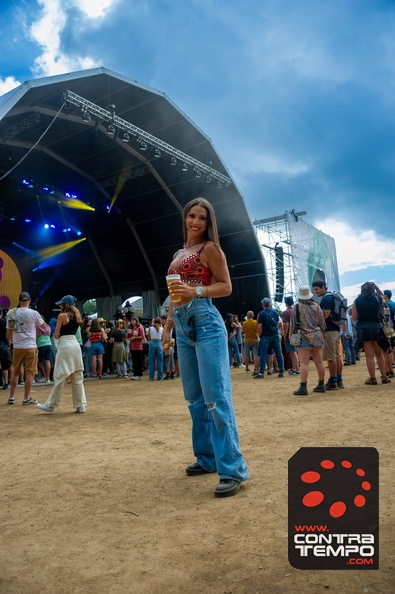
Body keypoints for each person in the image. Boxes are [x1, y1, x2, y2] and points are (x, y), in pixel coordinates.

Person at [162, 196, 248, 498]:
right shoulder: (178, 253)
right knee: (194, 399)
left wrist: (196, 289)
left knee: (215, 398)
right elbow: (174, 295)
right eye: (192, 216)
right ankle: (207, 458)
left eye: (202, 218)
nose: (196, 222)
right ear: (185, 218)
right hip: (182, 325)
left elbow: (225, 286)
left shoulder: (209, 249)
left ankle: (232, 468)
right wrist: (168, 329)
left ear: (209, 223)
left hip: (207, 320)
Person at [36, 295, 87, 413]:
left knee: (60, 376)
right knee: (77, 377)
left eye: (61, 304)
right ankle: (81, 405)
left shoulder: (61, 316)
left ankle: (51, 404)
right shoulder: (77, 315)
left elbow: (56, 334)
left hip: (65, 345)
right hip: (75, 345)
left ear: (65, 305)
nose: (59, 306)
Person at [6, 292, 47, 404]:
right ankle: (26, 398)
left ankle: (12, 397)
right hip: (30, 346)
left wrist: (11, 343)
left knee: (15, 372)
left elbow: (9, 333)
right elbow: (44, 326)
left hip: (17, 346)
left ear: (19, 301)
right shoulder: (34, 313)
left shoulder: (12, 313)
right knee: (30, 372)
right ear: (29, 301)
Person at [289, 286, 326, 396]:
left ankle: (303, 386)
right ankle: (321, 384)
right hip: (317, 336)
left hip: (303, 337)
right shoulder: (316, 307)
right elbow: (322, 324)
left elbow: (292, 325)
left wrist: (291, 335)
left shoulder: (296, 307)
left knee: (304, 363)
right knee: (319, 362)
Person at [352, 282, 391, 385]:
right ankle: (384, 377)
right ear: (373, 290)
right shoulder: (377, 299)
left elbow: (354, 317)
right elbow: (384, 297)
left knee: (369, 355)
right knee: (379, 355)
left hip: (364, 328)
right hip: (377, 328)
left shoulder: (357, 301)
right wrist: (377, 288)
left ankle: (372, 378)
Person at [312, 280, 344, 390]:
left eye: (317, 289)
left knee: (331, 358)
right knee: (336, 356)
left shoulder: (326, 299)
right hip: (335, 329)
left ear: (323, 287)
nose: (316, 292)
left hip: (329, 331)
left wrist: (318, 327)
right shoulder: (332, 297)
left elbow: (325, 315)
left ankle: (332, 381)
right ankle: (339, 380)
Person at [254, 298, 285, 379]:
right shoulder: (275, 312)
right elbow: (278, 324)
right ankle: (281, 370)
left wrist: (260, 334)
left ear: (263, 304)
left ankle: (261, 372)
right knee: (278, 353)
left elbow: (259, 326)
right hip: (275, 335)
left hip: (265, 336)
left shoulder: (262, 313)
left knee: (263, 354)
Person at [282, 296, 300, 375]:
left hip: (290, 333)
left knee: (292, 352)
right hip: (296, 332)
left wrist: (285, 335)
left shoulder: (286, 312)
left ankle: (297, 369)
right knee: (295, 351)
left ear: (286, 303)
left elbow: (286, 324)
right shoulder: (296, 311)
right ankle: (294, 368)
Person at [0, 307, 12, 390]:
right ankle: (6, 383)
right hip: (3, 345)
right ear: (1, 313)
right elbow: (8, 335)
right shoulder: (4, 322)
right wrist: (8, 344)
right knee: (5, 365)